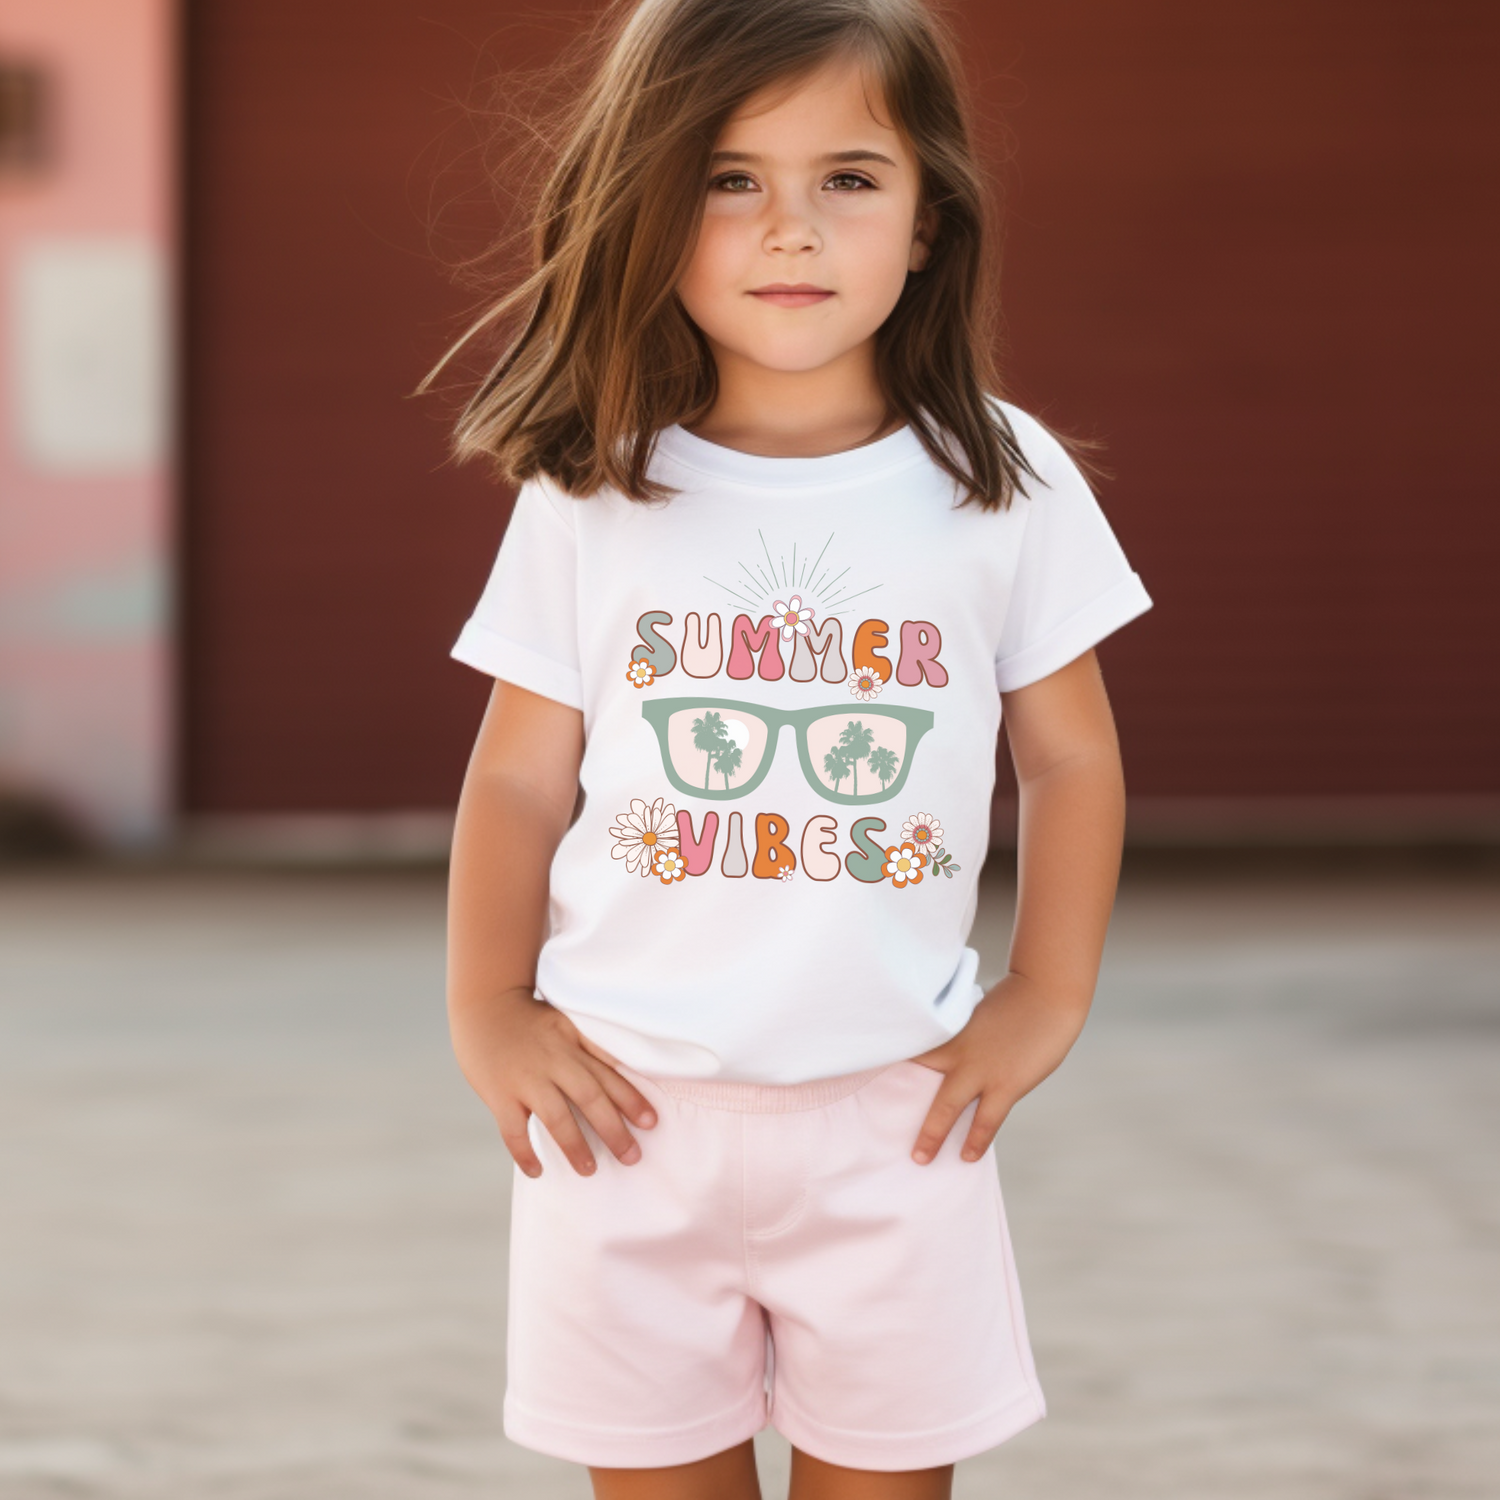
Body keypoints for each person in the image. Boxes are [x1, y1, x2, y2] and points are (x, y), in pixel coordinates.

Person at [432, 0, 1151, 1495]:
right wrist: (489, 1006)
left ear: (931, 216)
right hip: (617, 1122)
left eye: (849, 178)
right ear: (647, 204)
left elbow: (1072, 761)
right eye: (730, 178)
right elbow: (515, 773)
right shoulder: (592, 487)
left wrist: (1047, 990)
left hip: (897, 1120)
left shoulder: (1002, 481)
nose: (792, 231)